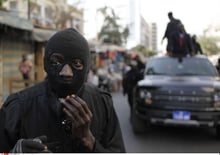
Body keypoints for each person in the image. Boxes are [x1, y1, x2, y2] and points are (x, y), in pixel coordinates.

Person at [0, 28, 125, 153]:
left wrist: (89, 141)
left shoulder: (102, 104)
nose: (66, 73)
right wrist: (15, 152)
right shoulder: (18, 107)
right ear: (45, 64)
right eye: (56, 62)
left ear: (87, 67)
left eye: (77, 63)